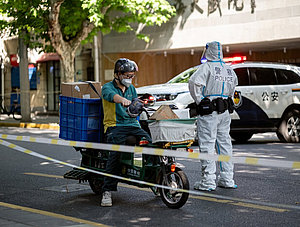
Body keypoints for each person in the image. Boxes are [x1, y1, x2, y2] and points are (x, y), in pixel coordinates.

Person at [100, 58, 152, 206]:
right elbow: (111, 96)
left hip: (132, 125)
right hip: (115, 126)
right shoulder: (107, 87)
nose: (129, 79)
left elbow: (134, 105)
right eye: (127, 76)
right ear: (117, 74)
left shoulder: (132, 88)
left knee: (151, 142)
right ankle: (107, 191)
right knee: (115, 154)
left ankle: (153, 176)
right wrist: (121, 100)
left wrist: (139, 104)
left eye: (132, 76)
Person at [188, 41, 238, 191]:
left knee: (207, 144)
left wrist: (199, 100)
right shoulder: (229, 70)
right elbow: (233, 89)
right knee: (224, 143)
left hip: (209, 112)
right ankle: (227, 178)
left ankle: (208, 181)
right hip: (224, 112)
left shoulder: (206, 68)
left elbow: (194, 83)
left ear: (208, 51)